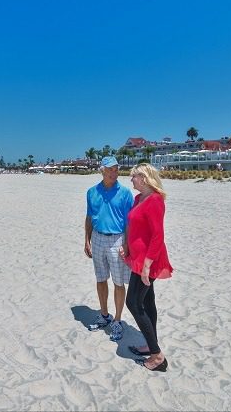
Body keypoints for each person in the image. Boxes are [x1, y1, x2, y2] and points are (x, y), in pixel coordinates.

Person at [121, 163, 173, 372]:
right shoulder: (138, 199)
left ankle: (157, 356)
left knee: (133, 302)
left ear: (144, 178)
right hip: (138, 258)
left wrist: (147, 266)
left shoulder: (155, 201)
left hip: (148, 261)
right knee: (148, 302)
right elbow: (133, 227)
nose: (131, 180)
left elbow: (158, 236)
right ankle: (151, 344)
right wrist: (126, 246)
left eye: (134, 177)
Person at [84, 155, 134, 341]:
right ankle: (104, 315)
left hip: (117, 240)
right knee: (100, 278)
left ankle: (118, 320)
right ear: (102, 170)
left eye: (116, 169)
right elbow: (89, 217)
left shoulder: (125, 193)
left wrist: (127, 244)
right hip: (97, 238)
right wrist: (87, 240)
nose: (115, 172)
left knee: (118, 282)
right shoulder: (91, 192)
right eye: (110, 169)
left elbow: (129, 222)